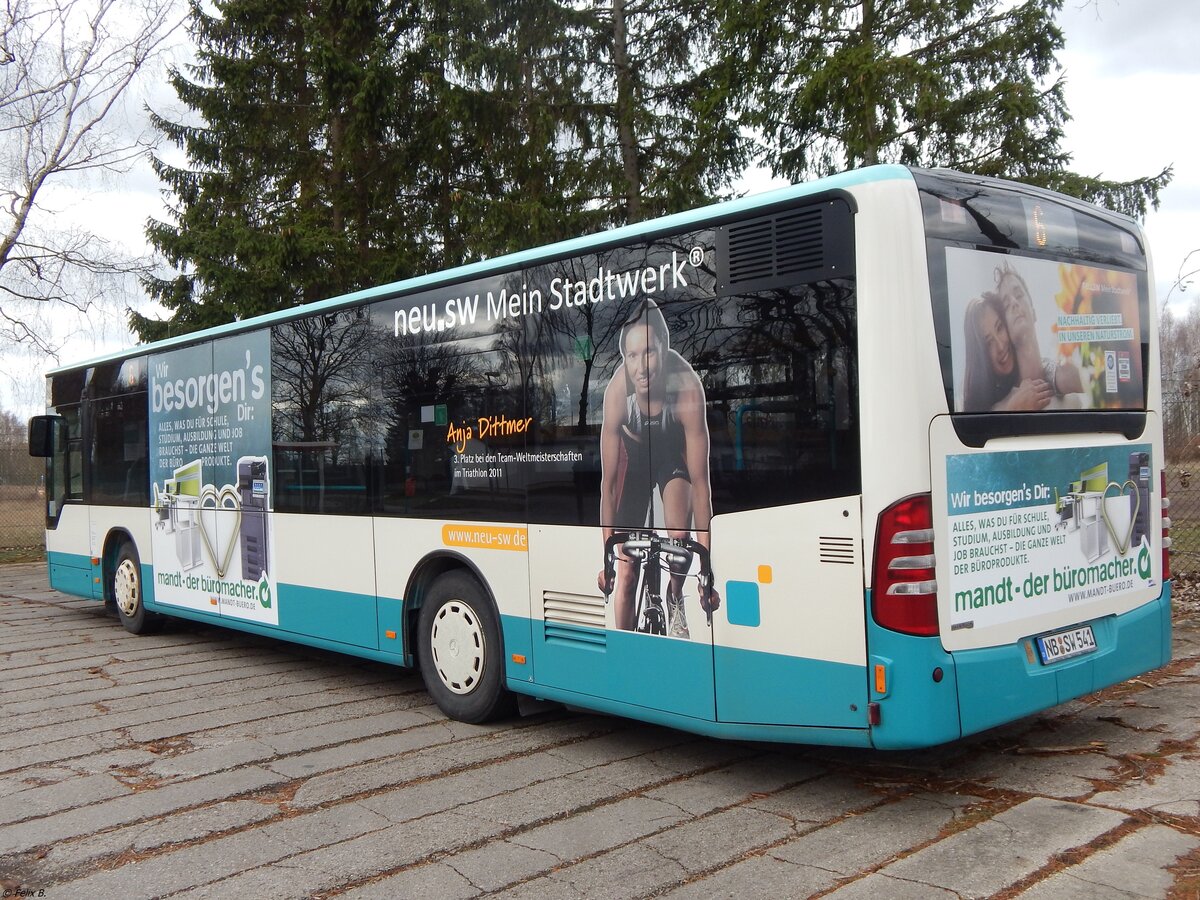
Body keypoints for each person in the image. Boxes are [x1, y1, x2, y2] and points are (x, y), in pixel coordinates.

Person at [596, 299, 719, 637]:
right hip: (634, 459)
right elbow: (607, 486)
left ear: (665, 350)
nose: (641, 366)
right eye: (632, 356)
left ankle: (674, 595)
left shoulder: (687, 388)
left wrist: (706, 571)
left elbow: (701, 484)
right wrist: (607, 554)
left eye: (649, 352)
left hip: (670, 455)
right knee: (626, 569)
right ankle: (624, 648)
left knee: (679, 537)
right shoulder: (617, 394)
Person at [994, 263, 1082, 397]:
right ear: (1005, 328)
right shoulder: (1004, 401)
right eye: (1006, 305)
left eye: (1018, 295)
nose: (1013, 303)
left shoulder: (1065, 372)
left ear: (1033, 312)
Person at [960, 293, 1052, 411]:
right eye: (988, 343)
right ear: (979, 357)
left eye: (999, 328)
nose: (1000, 346)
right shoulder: (977, 413)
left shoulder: (1041, 371)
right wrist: (1012, 409)